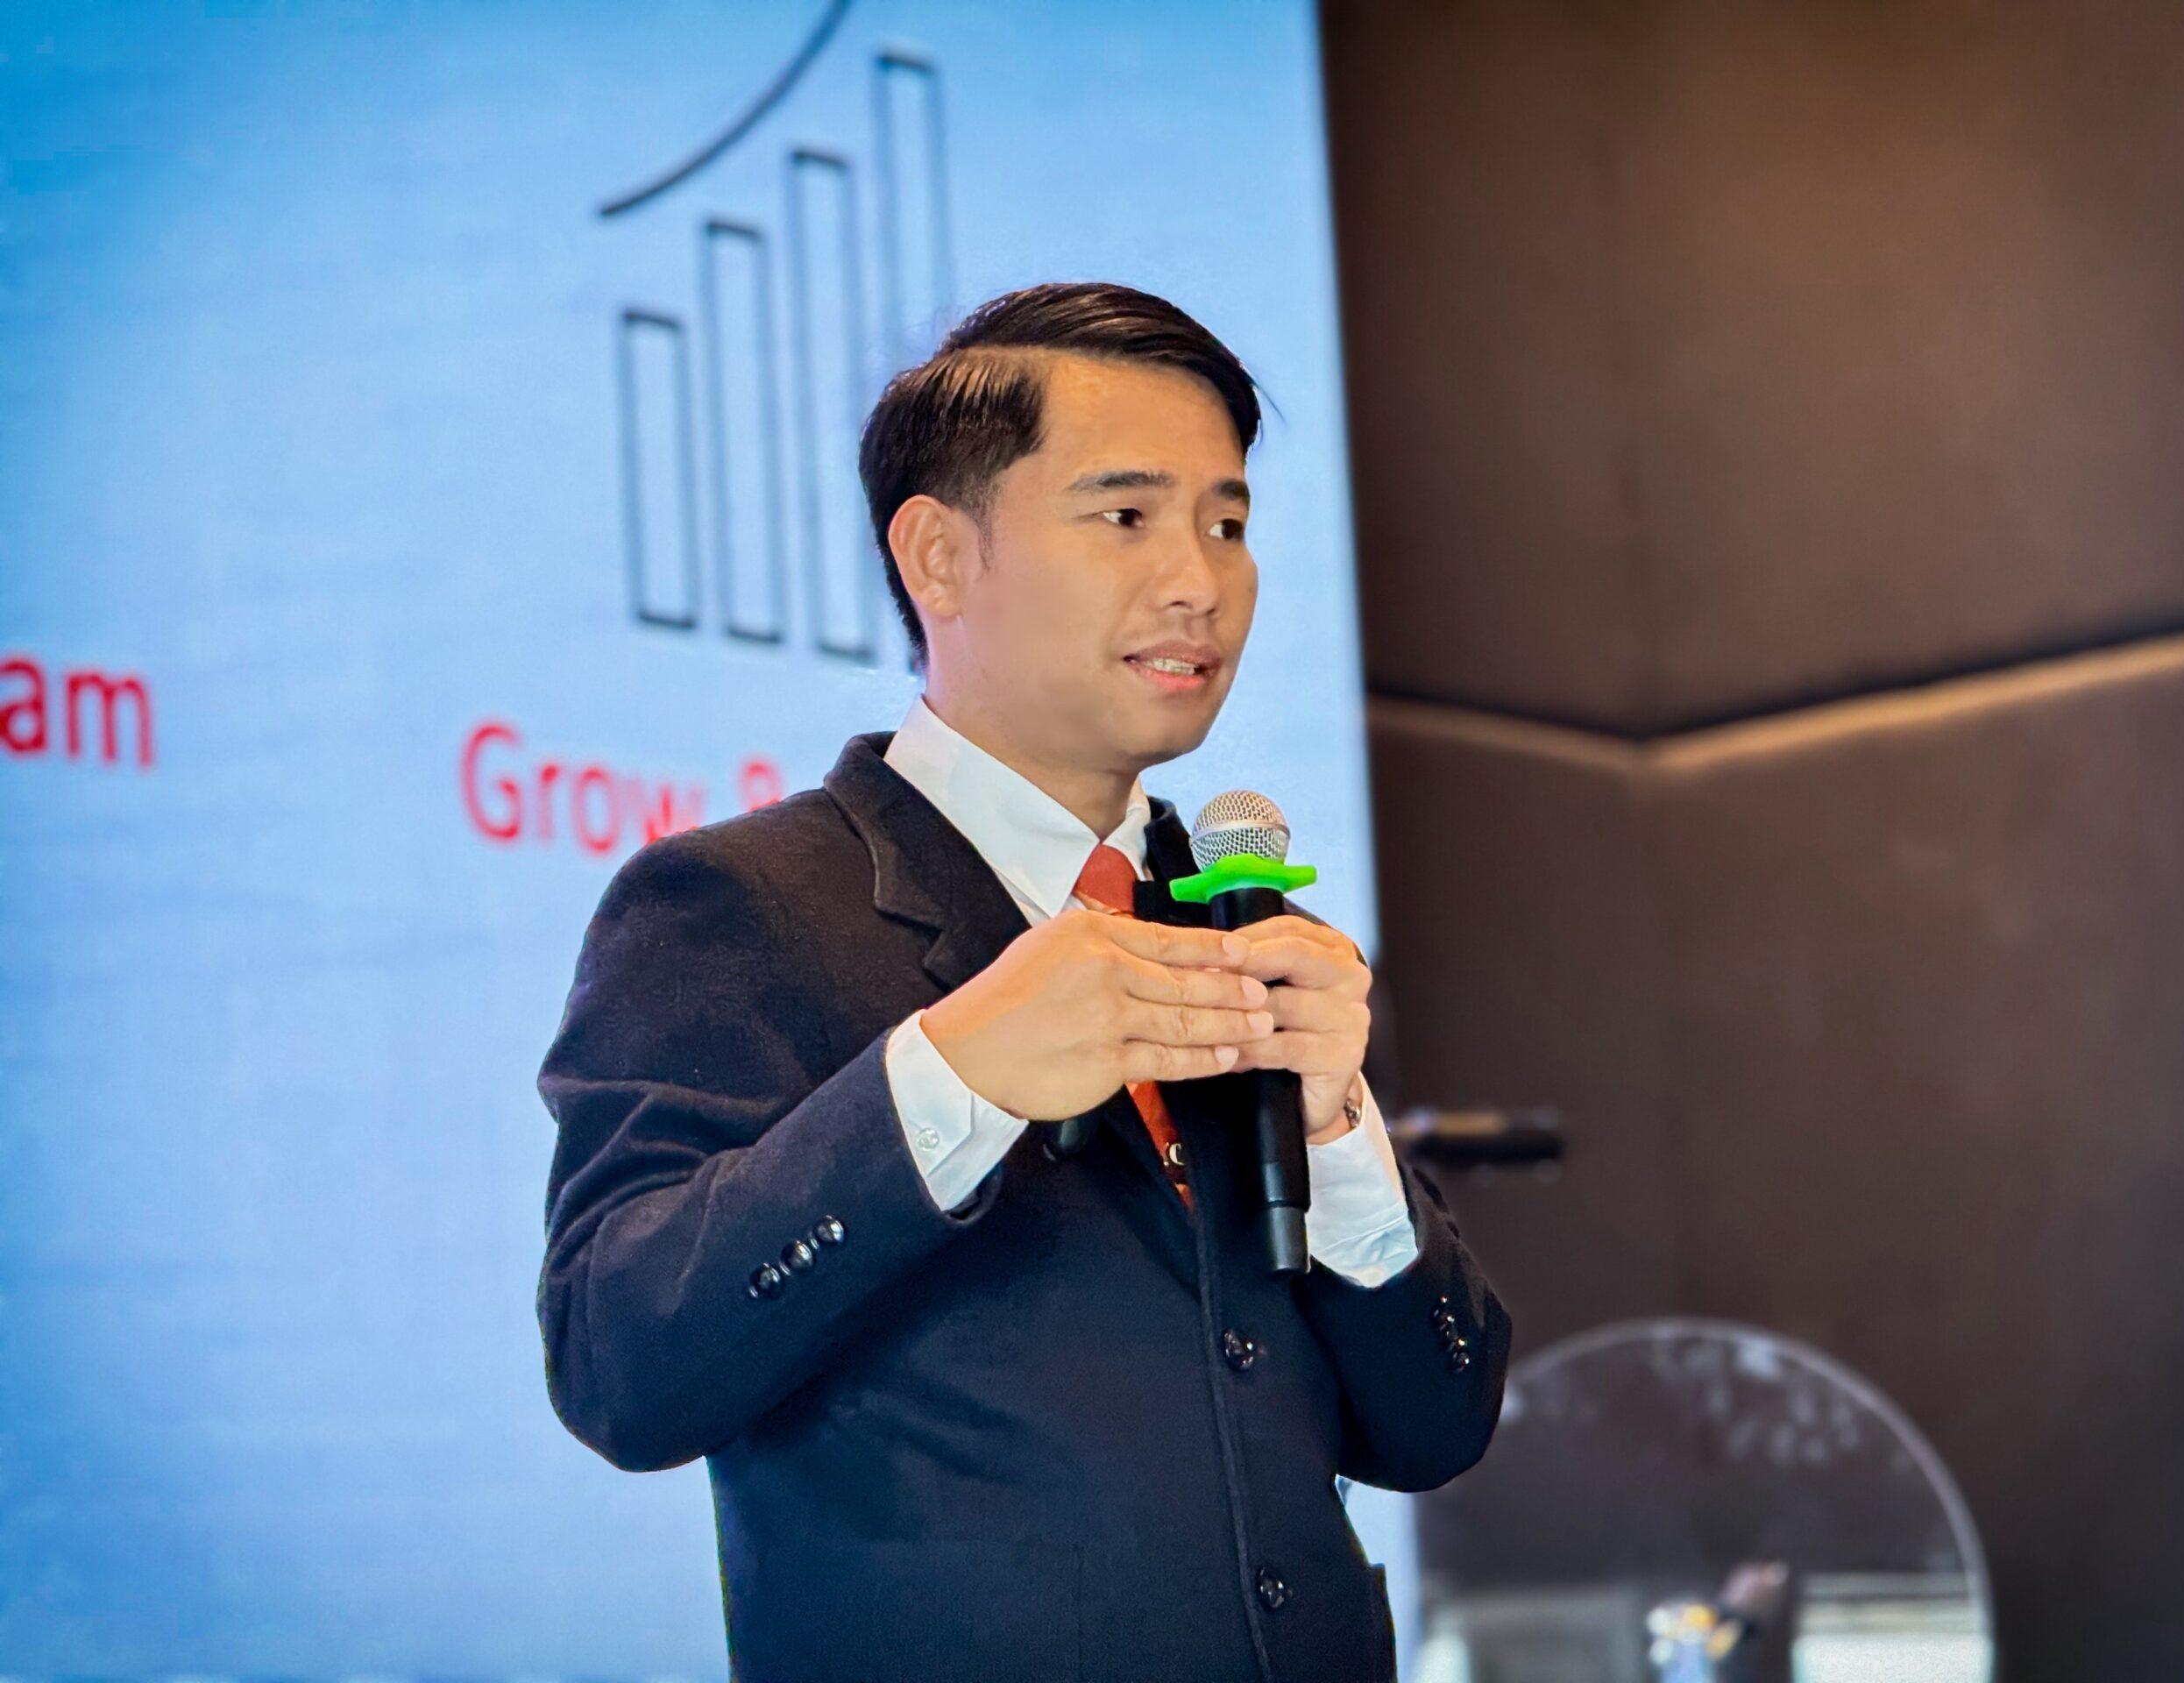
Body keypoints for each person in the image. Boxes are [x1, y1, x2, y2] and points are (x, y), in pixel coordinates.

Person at [536, 281, 1509, 1683]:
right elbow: (619, 1365)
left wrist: (1343, 1140)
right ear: (939, 556)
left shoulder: (1263, 944)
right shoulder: (734, 906)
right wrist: (951, 1080)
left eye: (1227, 524)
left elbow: (1437, 1426)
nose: (1198, 581)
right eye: (1126, 517)